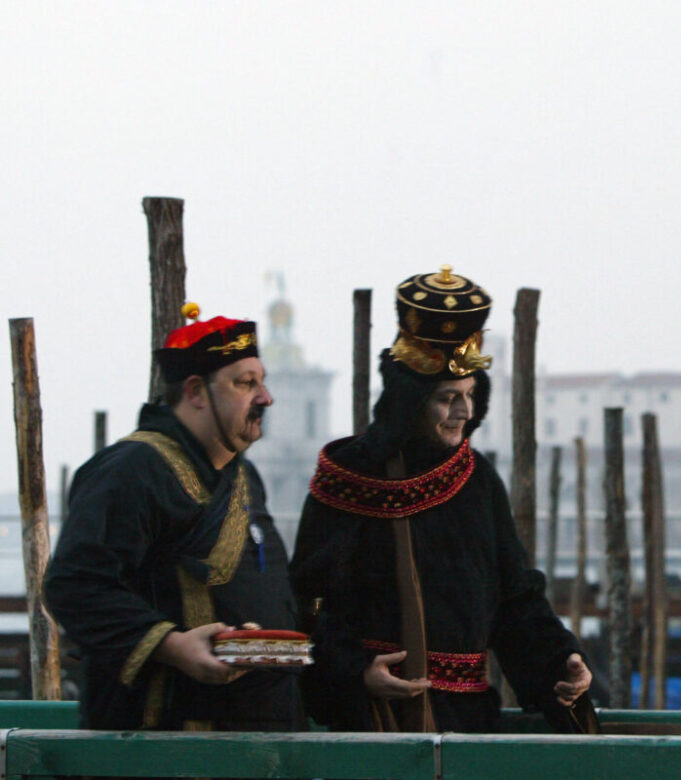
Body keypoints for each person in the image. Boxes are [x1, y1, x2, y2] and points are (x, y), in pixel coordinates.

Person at [290, 266, 597, 733]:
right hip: (370, 720)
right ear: (409, 402)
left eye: (471, 395)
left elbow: (516, 598)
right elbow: (308, 605)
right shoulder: (345, 478)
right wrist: (357, 673)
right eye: (446, 398)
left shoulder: (476, 479)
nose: (465, 412)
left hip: (467, 720)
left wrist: (560, 663)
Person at [44, 304, 303, 731]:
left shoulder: (245, 474)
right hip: (168, 734)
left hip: (261, 728)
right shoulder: (129, 471)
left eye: (263, 382)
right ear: (196, 392)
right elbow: (76, 585)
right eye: (245, 383)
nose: (265, 398)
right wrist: (171, 644)